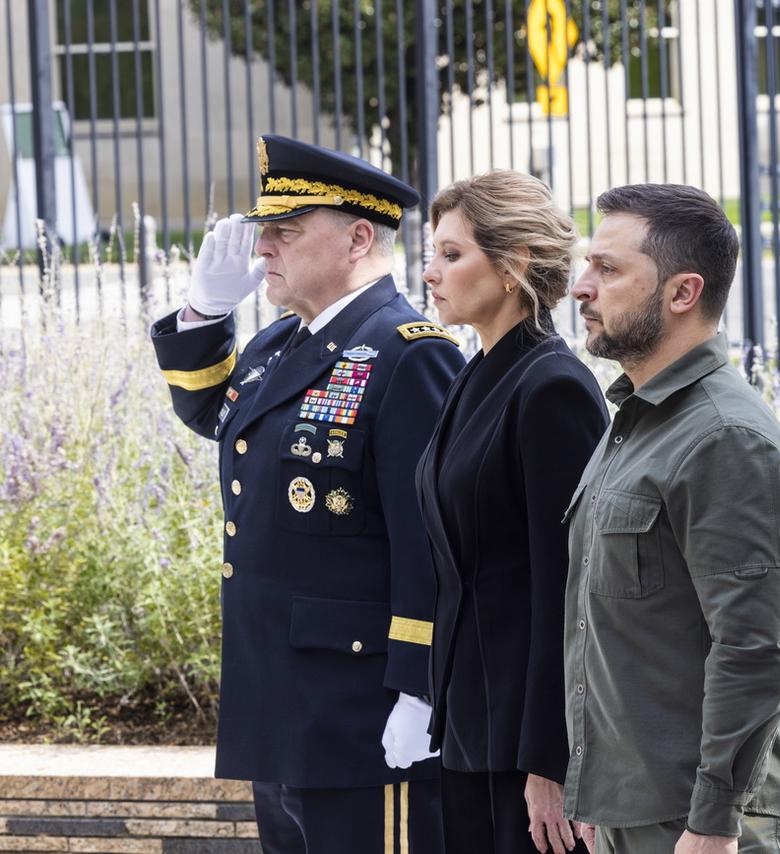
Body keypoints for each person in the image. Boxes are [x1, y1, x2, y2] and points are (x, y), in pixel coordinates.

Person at [150, 134, 464, 853]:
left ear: (358, 238)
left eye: (285, 233)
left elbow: (431, 545)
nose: (264, 250)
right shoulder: (279, 346)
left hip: (363, 715)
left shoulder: (409, 353)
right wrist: (202, 314)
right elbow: (213, 415)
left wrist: (418, 690)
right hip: (284, 706)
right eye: (265, 233)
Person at [563, 183, 780, 854]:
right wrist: (595, 786)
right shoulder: (639, 424)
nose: (582, 287)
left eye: (608, 269)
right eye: (588, 265)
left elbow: (754, 650)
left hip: (708, 830)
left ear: (682, 293)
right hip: (637, 814)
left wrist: (713, 822)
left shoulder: (724, 438)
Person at [416, 171, 608, 854]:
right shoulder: (477, 371)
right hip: (471, 724)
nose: (430, 272)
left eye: (451, 253)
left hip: (522, 749)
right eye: (431, 253)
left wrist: (550, 762)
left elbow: (567, 589)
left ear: (512, 267)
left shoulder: (552, 386)